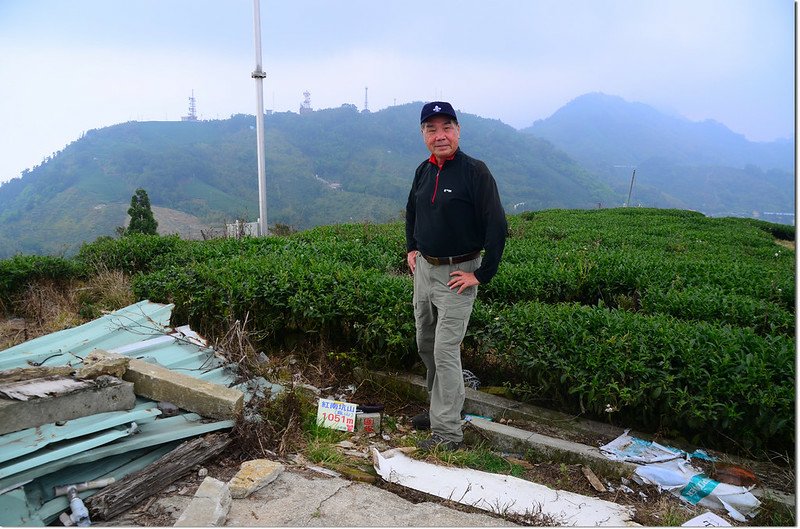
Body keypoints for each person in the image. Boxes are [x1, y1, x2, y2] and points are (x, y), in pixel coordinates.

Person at [405, 101, 507, 451]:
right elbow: (412, 212)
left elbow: (497, 225)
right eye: (431, 129)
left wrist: (482, 274)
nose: (440, 135)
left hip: (458, 273)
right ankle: (438, 409)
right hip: (425, 270)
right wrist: (411, 248)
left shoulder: (475, 172)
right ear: (423, 135)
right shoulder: (424, 171)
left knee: (446, 350)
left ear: (458, 131)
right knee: (426, 343)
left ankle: (447, 432)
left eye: (446, 127)